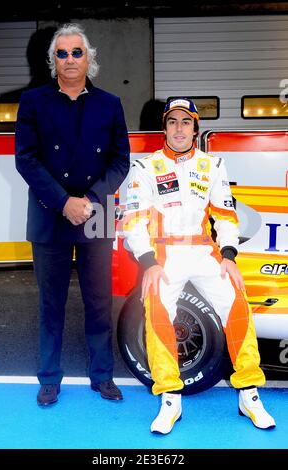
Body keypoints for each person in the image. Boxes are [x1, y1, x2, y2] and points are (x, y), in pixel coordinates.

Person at [123, 96, 275, 434]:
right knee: (158, 313)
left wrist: (229, 255)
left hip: (204, 250)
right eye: (173, 122)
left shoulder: (213, 165)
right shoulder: (145, 168)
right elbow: (133, 221)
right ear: (164, 127)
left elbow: (224, 216)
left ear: (195, 128)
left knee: (237, 305)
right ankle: (170, 399)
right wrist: (147, 261)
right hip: (163, 255)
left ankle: (248, 393)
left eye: (186, 122)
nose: (179, 128)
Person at [15, 23, 130, 406]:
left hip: (96, 212)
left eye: (76, 52)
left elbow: (120, 161)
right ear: (53, 60)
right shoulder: (33, 102)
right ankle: (49, 377)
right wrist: (65, 202)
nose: (69, 59)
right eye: (61, 53)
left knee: (99, 300)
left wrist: (91, 200)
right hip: (51, 213)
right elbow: (26, 160)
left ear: (89, 58)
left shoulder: (110, 103)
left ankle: (103, 375)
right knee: (52, 302)